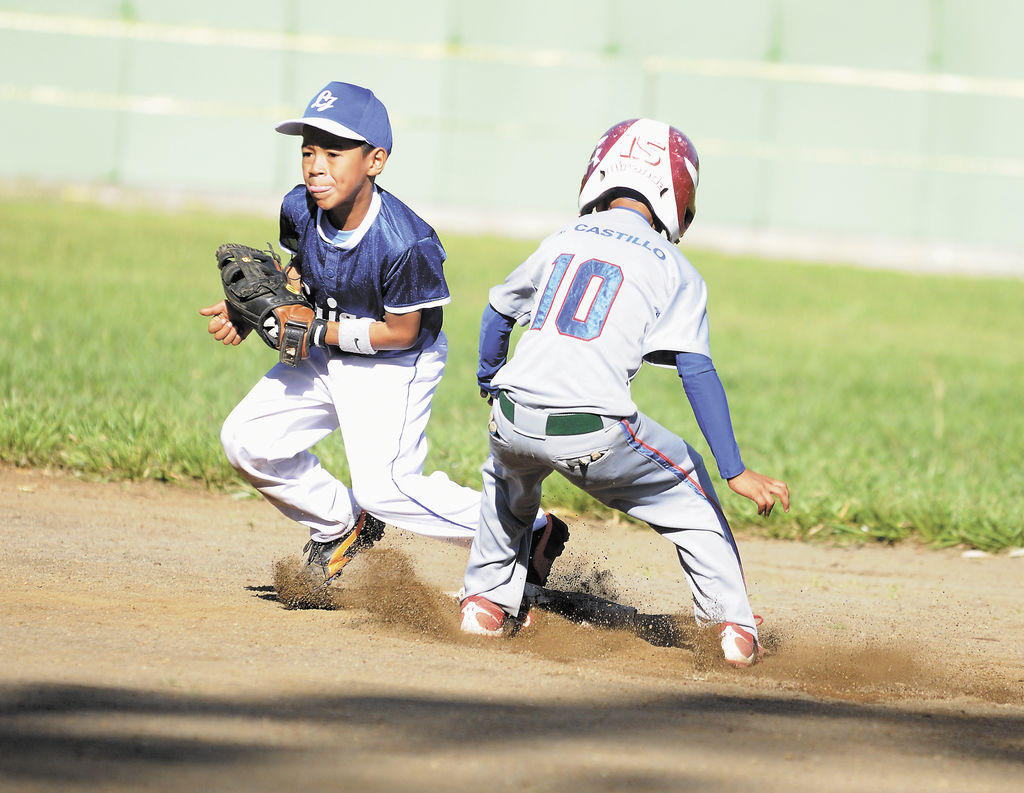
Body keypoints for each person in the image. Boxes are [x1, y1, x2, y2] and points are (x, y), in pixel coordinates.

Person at [199, 81, 566, 589]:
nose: (315, 165)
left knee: (386, 488)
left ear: (375, 160)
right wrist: (258, 309)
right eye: (307, 150)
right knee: (247, 441)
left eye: (333, 151)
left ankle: (530, 529)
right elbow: (303, 272)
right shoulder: (300, 206)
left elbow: (405, 330)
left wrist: (320, 330)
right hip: (327, 343)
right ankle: (340, 526)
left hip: (397, 360)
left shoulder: (405, 241)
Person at [458, 118, 790, 667]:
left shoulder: (562, 238)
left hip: (511, 416)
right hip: (593, 431)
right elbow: (695, 369)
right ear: (676, 195)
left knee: (507, 482)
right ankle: (732, 629)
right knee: (691, 490)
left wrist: (488, 381)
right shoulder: (674, 266)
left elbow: (497, 314)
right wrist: (734, 470)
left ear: (599, 173)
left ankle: (485, 605)